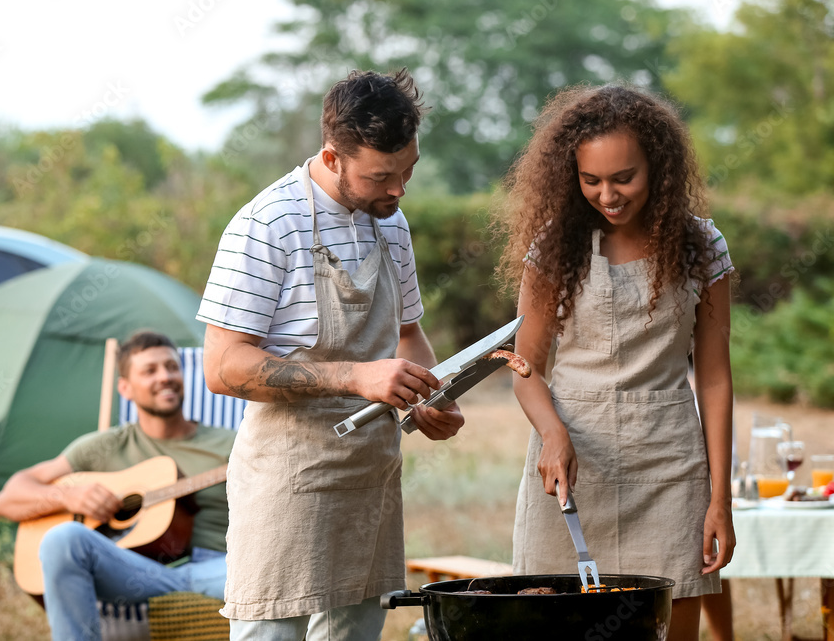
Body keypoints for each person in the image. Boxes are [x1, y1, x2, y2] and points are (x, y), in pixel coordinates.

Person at [198, 68, 465, 641]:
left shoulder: (390, 224)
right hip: (285, 480)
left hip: (369, 477)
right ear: (332, 155)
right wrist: (356, 376)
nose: (398, 189)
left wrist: (428, 395)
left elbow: (409, 334)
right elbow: (222, 367)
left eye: (408, 171)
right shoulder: (268, 223)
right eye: (381, 176)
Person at [497, 83, 736, 641]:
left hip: (670, 465)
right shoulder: (554, 247)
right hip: (571, 468)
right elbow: (523, 365)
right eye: (591, 180)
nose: (607, 194)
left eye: (624, 177)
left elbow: (716, 379)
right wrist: (552, 431)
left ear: (658, 167)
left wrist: (719, 500)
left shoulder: (702, 246)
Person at [0, 331, 235, 641]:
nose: (165, 377)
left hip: (219, 567)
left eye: (172, 367)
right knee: (62, 538)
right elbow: (7, 499)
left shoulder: (236, 444)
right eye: (150, 370)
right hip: (138, 572)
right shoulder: (103, 447)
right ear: (125, 388)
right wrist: (67, 496)